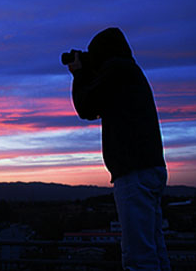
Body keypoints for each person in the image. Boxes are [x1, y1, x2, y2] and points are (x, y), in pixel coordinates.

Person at [67, 27, 171, 271]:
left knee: (138, 256)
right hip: (148, 168)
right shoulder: (128, 72)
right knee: (154, 248)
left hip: (133, 171)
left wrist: (79, 74)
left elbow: (86, 107)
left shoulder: (117, 70)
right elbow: (96, 106)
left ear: (102, 53)